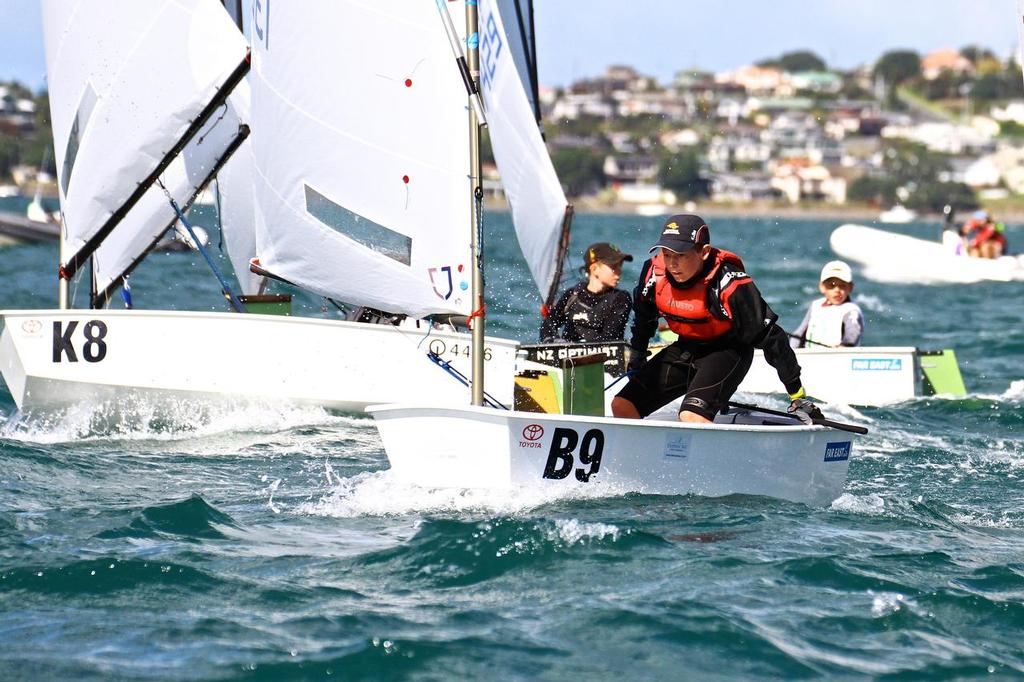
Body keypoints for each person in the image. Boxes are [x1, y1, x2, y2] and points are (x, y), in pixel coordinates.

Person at [611, 214, 821, 424]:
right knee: (622, 404)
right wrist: (637, 356)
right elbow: (644, 318)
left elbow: (773, 339)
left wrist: (797, 396)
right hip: (685, 348)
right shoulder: (653, 274)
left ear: (703, 252)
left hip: (728, 352)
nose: (672, 264)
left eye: (681, 255)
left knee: (690, 415)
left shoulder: (729, 283)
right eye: (667, 254)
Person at [539, 242, 633, 343]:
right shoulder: (572, 295)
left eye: (620, 266)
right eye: (614, 267)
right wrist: (551, 340)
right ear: (594, 269)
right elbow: (548, 326)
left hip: (605, 356)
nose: (619, 272)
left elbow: (611, 336)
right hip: (568, 355)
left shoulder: (621, 299)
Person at [790, 260, 864, 349]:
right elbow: (799, 333)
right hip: (811, 357)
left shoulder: (851, 311)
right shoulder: (816, 306)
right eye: (831, 285)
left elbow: (852, 335)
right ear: (822, 287)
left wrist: (843, 346)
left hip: (840, 358)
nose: (837, 290)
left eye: (842, 286)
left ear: (850, 288)